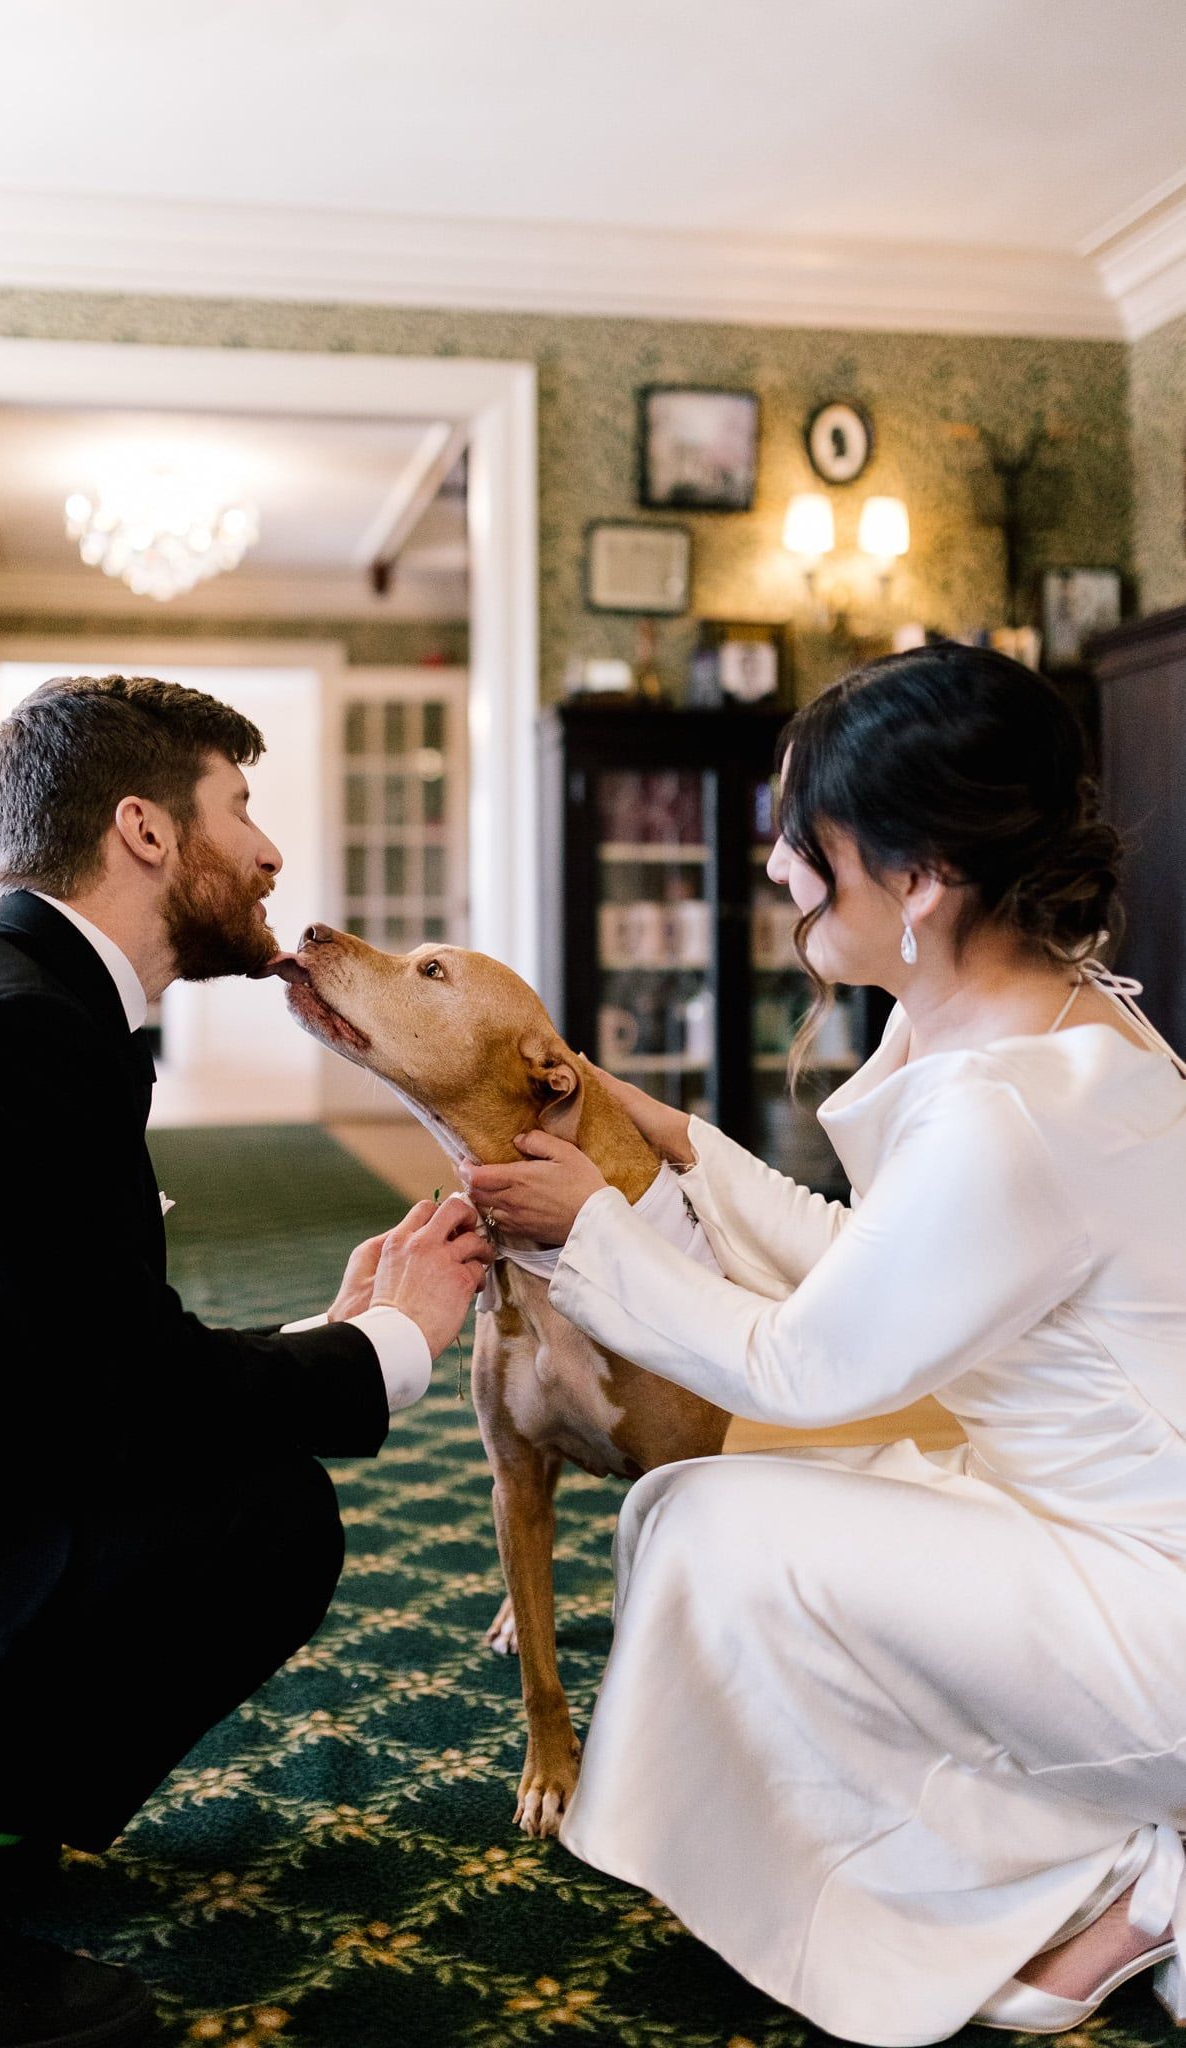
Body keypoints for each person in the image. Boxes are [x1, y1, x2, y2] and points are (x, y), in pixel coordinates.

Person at [464, 643, 1186, 2046]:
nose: (781, 863)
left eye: (810, 839)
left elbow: (810, 1364)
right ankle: (1051, 1841)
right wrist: (674, 1141)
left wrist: (589, 1237)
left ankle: (1127, 1867)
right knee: (736, 1512)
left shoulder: (1006, 1107)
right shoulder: (1038, 1012)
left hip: (1153, 1596)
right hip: (1102, 1530)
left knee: (705, 1526)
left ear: (918, 880)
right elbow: (880, 1268)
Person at [0, 674, 493, 2048]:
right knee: (262, 1522)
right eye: (237, 808)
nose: (267, 852)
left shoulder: (9, 999)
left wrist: (315, 1343)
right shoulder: (5, 1037)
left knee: (236, 1475)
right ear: (144, 830)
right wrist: (386, 1351)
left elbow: (76, 1359)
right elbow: (117, 1407)